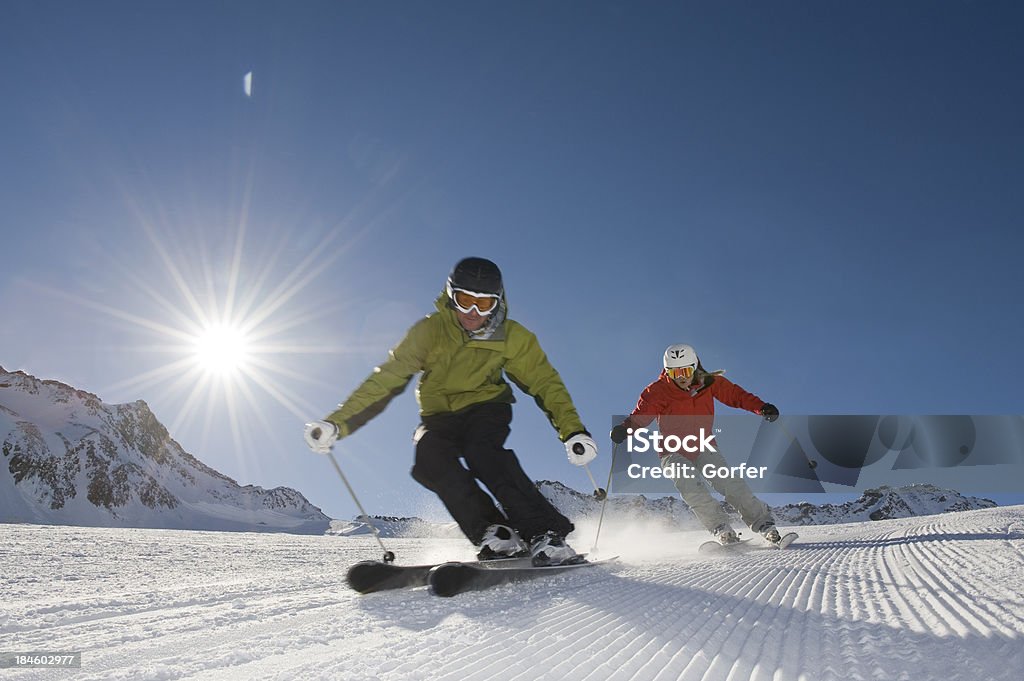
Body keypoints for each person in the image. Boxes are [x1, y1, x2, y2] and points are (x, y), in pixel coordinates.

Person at [304, 257, 598, 565]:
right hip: (438, 416)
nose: (472, 313)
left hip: (487, 407)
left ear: (497, 303)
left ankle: (544, 532)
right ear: (450, 295)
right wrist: (337, 424)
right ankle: (495, 532)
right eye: (465, 301)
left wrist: (573, 430)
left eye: (484, 304)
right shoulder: (430, 331)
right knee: (429, 457)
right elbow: (387, 379)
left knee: (482, 452)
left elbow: (545, 383)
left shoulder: (512, 337)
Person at [610, 343, 783, 546]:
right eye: (674, 372)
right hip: (671, 450)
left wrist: (761, 408)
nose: (680, 377)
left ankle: (764, 525)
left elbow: (737, 396)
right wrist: (625, 429)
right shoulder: (657, 391)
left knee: (730, 483)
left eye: (685, 371)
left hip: (703, 445)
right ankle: (721, 529)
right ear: (667, 372)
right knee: (690, 486)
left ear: (695, 367)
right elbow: (640, 416)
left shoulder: (711, 383)